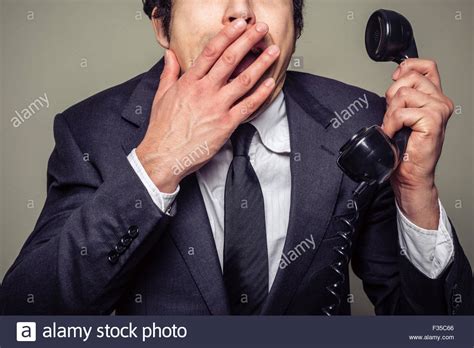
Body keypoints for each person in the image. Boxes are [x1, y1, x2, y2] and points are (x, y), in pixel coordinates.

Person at [1, 0, 471, 315]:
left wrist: (415, 193)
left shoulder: (365, 122)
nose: (241, 13)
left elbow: (435, 329)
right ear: (162, 25)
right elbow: (24, 315)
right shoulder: (91, 130)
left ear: (297, 21)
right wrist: (158, 163)